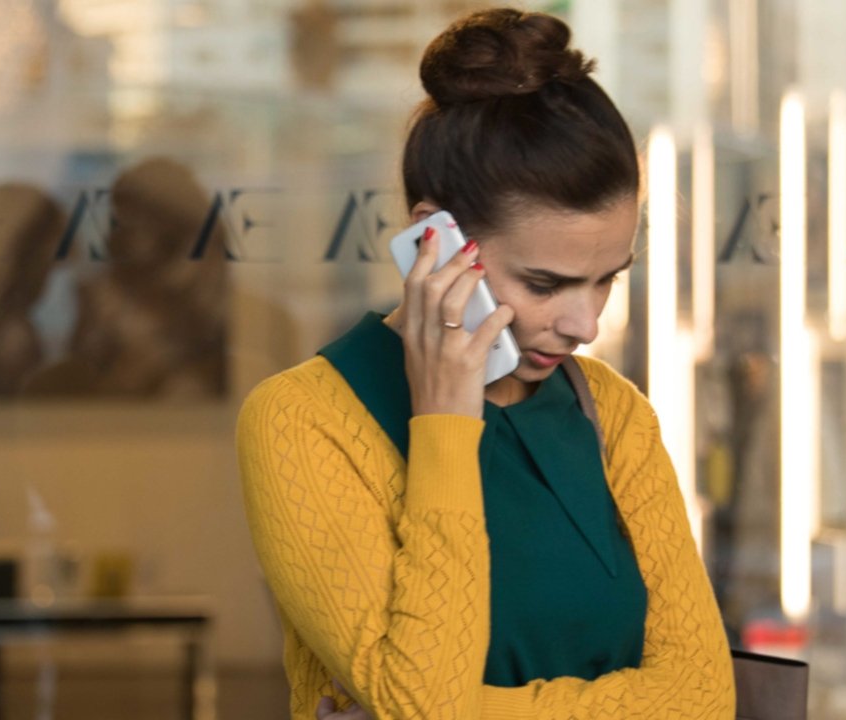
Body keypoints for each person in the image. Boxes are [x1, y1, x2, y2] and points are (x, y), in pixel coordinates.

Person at [237, 8, 734, 719]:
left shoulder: (611, 414)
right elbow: (426, 704)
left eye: (607, 278)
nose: (585, 324)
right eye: (544, 283)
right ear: (433, 240)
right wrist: (443, 426)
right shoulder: (304, 422)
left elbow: (702, 698)